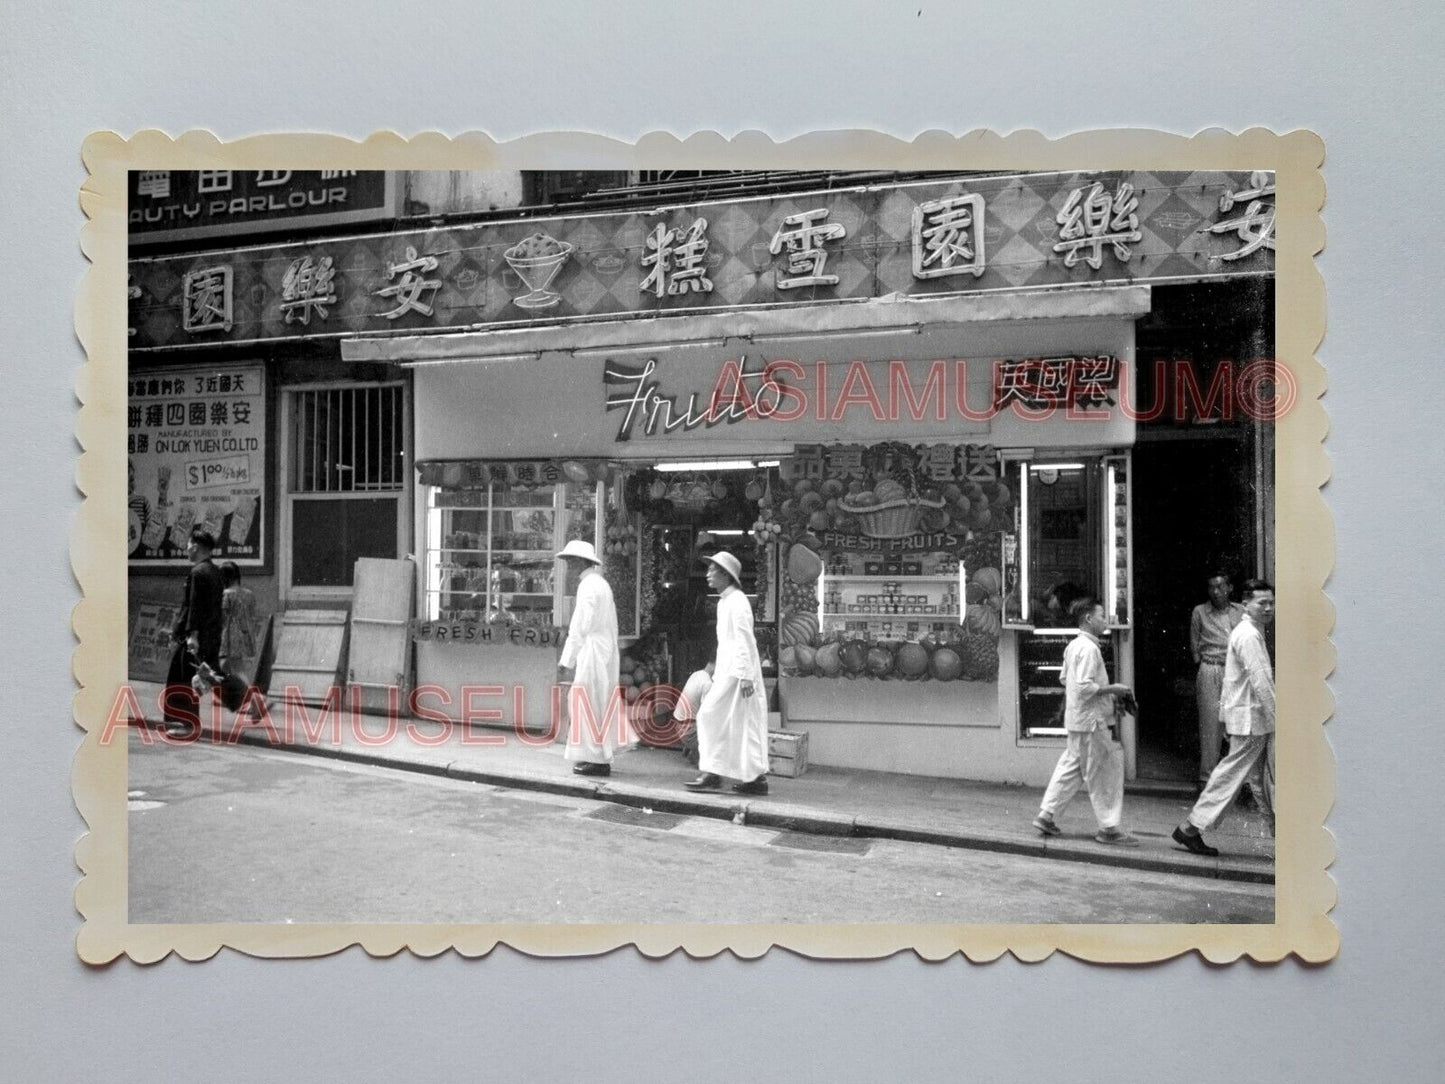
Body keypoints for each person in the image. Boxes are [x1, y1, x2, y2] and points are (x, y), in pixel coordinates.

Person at [1174, 579, 1276, 856]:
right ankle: (1190, 827)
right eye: (1261, 603)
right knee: (1233, 775)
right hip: (1251, 720)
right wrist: (1279, 718)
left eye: (1271, 603)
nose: (1268, 608)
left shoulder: (1250, 631)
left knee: (1258, 780)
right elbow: (1261, 680)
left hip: (1250, 718)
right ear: (1246, 604)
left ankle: (1280, 834)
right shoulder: (1248, 635)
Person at [1032, 596, 1139, 845]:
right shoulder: (1089, 648)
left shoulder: (1074, 646)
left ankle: (1046, 815)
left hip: (1077, 719)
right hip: (1093, 722)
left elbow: (1065, 680)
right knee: (1105, 773)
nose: (1106, 620)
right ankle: (1109, 828)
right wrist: (1113, 689)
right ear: (1089, 619)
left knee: (1072, 768)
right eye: (1102, 615)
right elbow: (1083, 687)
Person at [684, 551, 771, 795]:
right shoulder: (726, 601)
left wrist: (745, 675)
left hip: (738, 673)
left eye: (713, 569)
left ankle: (717, 774)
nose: (708, 574)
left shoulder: (737, 601)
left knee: (712, 716)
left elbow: (744, 640)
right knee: (737, 723)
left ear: (725, 575)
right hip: (731, 671)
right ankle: (750, 778)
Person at [555, 540, 630, 776]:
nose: (568, 568)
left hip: (593, 652)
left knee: (586, 704)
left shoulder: (588, 586)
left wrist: (567, 660)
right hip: (604, 650)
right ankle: (597, 756)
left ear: (579, 563)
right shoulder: (601, 584)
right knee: (597, 704)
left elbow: (579, 627)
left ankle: (598, 759)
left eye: (569, 563)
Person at [162, 527, 225, 734]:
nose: (186, 549)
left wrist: (192, 636)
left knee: (182, 677)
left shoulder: (198, 572)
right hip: (211, 633)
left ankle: (187, 724)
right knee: (203, 676)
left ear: (196, 547)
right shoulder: (215, 571)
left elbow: (194, 606)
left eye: (188, 545)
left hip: (196, 635)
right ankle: (185, 721)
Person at [1190, 571, 1246, 785]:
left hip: (1236, 671)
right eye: (1212, 587)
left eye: (1220, 586)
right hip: (1211, 668)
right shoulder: (1200, 612)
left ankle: (1238, 782)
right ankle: (1207, 781)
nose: (1216, 591)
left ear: (1230, 588)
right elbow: (1194, 644)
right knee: (1210, 726)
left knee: (1239, 724)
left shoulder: (1241, 611)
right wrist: (1204, 663)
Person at [218, 561, 260, 682]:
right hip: (246, 636)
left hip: (228, 638)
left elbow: (222, 618)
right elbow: (252, 616)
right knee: (239, 670)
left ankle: (250, 698)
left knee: (228, 670)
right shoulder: (249, 594)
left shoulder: (224, 595)